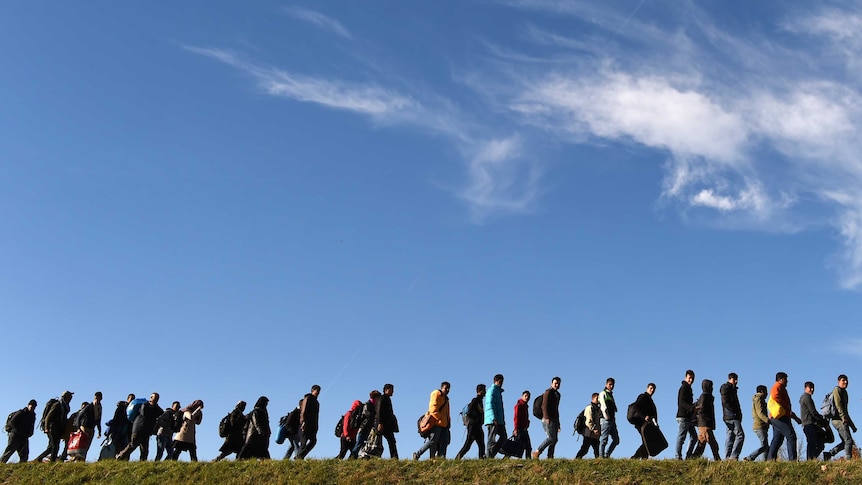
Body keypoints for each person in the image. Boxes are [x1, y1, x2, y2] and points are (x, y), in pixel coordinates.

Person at [116, 392, 162, 461]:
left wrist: (156, 406)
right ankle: (120, 456)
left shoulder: (156, 408)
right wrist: (153, 408)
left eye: (157, 398)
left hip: (146, 431)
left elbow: (161, 413)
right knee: (133, 445)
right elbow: (145, 414)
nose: (156, 399)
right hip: (138, 429)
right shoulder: (145, 405)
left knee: (144, 450)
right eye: (154, 397)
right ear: (151, 398)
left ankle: (142, 463)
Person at [766, 372, 801, 461]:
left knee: (778, 439)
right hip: (780, 417)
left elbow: (786, 408)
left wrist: (795, 418)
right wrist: (785, 406)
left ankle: (770, 460)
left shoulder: (781, 388)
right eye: (786, 379)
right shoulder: (777, 387)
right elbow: (775, 396)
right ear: (781, 379)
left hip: (778, 417)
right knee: (791, 436)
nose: (787, 381)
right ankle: (792, 460)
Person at [413, 382, 451, 460]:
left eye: (448, 388)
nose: (447, 390)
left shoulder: (446, 399)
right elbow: (433, 409)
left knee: (445, 442)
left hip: (444, 424)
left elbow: (447, 412)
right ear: (441, 387)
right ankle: (418, 454)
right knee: (433, 441)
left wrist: (448, 421)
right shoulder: (436, 394)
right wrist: (440, 418)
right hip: (436, 423)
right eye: (446, 388)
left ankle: (440, 459)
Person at [33, 390, 72, 463]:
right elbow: (48, 417)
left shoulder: (65, 406)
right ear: (66, 397)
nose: (71, 398)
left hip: (58, 429)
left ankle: (38, 459)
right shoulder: (57, 405)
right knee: (55, 447)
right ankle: (51, 462)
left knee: (51, 447)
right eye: (70, 396)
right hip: (52, 428)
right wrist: (46, 428)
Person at [825, 374, 856, 461]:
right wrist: (842, 417)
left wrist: (852, 425)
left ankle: (829, 454)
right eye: (843, 380)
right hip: (837, 419)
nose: (845, 382)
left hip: (842, 419)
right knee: (848, 440)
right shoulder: (837, 390)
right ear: (838, 381)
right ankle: (848, 460)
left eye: (846, 380)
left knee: (846, 441)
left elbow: (846, 410)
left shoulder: (845, 393)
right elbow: (838, 405)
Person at [691, 379, 721, 461]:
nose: (712, 388)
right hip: (704, 423)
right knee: (713, 443)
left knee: (701, 444)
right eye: (711, 386)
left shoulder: (705, 396)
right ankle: (717, 459)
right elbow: (702, 409)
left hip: (703, 423)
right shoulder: (705, 396)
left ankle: (692, 459)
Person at [455, 384, 486, 459]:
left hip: (477, 426)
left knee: (481, 444)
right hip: (473, 426)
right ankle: (457, 458)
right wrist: (476, 419)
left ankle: (482, 459)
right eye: (484, 390)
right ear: (480, 391)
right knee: (468, 445)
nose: (485, 392)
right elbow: (469, 412)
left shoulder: (480, 401)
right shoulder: (475, 400)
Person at [533, 377, 561, 459]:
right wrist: (546, 417)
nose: (557, 385)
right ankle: (537, 451)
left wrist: (558, 423)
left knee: (554, 439)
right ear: (551, 383)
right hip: (548, 418)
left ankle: (550, 456)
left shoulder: (558, 395)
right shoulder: (548, 392)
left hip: (554, 419)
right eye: (555, 383)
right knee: (551, 438)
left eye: (558, 383)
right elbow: (544, 405)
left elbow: (556, 409)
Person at [720, 372, 744, 460]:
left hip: (729, 416)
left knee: (730, 436)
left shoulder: (732, 389)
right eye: (734, 380)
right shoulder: (727, 388)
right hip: (731, 416)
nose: (736, 382)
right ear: (730, 379)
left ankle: (727, 457)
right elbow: (726, 402)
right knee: (740, 435)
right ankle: (733, 456)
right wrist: (734, 412)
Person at [799, 381, 826, 461]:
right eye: (810, 387)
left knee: (818, 444)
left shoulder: (806, 397)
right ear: (805, 388)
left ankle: (812, 459)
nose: (812, 389)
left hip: (810, 423)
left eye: (813, 388)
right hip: (809, 424)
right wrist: (821, 419)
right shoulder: (806, 398)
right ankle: (810, 460)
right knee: (812, 443)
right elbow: (813, 412)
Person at [631, 383, 658, 459]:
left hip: (647, 423)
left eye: (653, 389)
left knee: (646, 441)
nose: (652, 390)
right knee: (647, 441)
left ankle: (643, 458)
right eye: (651, 388)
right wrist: (644, 416)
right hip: (641, 423)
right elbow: (636, 407)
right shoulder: (643, 397)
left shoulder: (650, 400)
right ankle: (635, 457)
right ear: (647, 388)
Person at [350, 391, 380, 459]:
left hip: (367, 427)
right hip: (364, 427)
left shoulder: (373, 405)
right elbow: (368, 415)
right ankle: (352, 457)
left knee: (363, 443)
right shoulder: (368, 404)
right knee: (359, 443)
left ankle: (357, 456)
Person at [743, 385, 770, 461]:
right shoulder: (758, 399)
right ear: (762, 391)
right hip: (759, 426)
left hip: (762, 426)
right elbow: (760, 413)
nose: (767, 394)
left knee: (766, 446)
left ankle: (766, 461)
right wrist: (768, 420)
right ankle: (750, 458)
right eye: (766, 392)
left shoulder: (760, 400)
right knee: (764, 446)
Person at [676, 370, 697, 460]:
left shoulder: (688, 388)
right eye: (689, 378)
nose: (691, 380)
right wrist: (692, 408)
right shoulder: (684, 387)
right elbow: (681, 402)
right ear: (685, 377)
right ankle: (678, 457)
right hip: (683, 416)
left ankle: (688, 456)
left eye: (692, 378)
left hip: (688, 417)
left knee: (694, 437)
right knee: (682, 437)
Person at [296, 385, 321, 459]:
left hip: (313, 425)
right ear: (313, 390)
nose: (318, 392)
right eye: (317, 390)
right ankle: (299, 458)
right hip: (306, 423)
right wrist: (303, 422)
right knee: (303, 442)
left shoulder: (316, 402)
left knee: (313, 441)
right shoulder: (308, 398)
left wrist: (316, 426)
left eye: (319, 391)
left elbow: (316, 415)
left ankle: (300, 456)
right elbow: (303, 411)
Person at [485, 374, 507, 458]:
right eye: (500, 381)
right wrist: (493, 417)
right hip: (493, 419)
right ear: (495, 381)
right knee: (491, 439)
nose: (501, 383)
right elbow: (490, 404)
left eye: (502, 381)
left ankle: (491, 454)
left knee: (504, 437)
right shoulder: (492, 391)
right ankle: (488, 457)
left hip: (499, 420)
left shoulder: (498, 392)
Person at [375, 383, 399, 459]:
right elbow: (379, 411)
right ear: (386, 390)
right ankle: (394, 457)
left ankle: (394, 457)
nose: (392, 392)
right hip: (383, 424)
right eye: (391, 390)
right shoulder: (382, 398)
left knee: (391, 441)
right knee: (380, 441)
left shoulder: (387, 399)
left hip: (387, 425)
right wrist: (380, 423)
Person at [575, 393, 602, 459]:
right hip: (588, 432)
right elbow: (588, 420)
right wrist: (593, 428)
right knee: (585, 448)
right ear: (593, 398)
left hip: (593, 433)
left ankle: (599, 461)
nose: (598, 400)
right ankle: (577, 458)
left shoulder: (597, 408)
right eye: (597, 398)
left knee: (596, 448)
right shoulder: (589, 407)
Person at [599, 377, 620, 458]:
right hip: (606, 420)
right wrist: (606, 417)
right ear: (606, 384)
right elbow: (603, 406)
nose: (611, 386)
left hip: (612, 420)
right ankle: (601, 457)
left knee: (616, 440)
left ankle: (607, 454)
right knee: (604, 439)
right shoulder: (603, 393)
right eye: (610, 384)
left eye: (612, 385)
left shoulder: (611, 395)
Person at [513, 390, 532, 459]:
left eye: (528, 396)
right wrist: (515, 429)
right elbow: (516, 418)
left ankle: (528, 461)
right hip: (519, 429)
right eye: (525, 396)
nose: (527, 398)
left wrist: (527, 422)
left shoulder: (525, 406)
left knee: (528, 447)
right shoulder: (519, 406)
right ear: (522, 396)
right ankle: (519, 462)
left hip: (524, 429)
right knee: (519, 448)